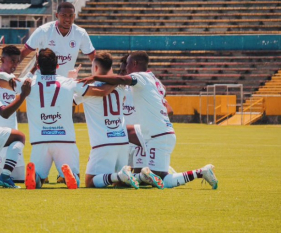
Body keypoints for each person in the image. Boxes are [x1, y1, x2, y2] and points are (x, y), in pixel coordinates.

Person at [79, 51, 219, 189]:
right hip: (164, 132)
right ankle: (200, 172)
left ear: (134, 63)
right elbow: (163, 92)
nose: (126, 69)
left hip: (156, 135)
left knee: (158, 179)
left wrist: (95, 77)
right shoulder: (153, 78)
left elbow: (122, 79)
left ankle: (197, 172)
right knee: (157, 178)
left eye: (127, 64)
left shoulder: (139, 77)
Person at [19, 49, 116, 190]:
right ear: (57, 66)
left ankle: (36, 177)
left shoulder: (28, 83)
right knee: (75, 180)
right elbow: (102, 92)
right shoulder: (69, 83)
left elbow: (4, 83)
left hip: (39, 141)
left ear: (38, 66)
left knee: (39, 177)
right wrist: (117, 81)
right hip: (65, 140)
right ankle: (69, 176)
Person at [74, 52, 164, 189]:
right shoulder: (120, 86)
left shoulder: (86, 88)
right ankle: (139, 176)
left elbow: (70, 102)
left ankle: (121, 175)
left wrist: (71, 79)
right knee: (120, 184)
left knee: (90, 182)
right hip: (122, 142)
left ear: (96, 68)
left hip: (103, 143)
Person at [0, 46, 27, 184]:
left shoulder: (15, 81)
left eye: (17, 61)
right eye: (12, 60)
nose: (15, 64)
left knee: (20, 178)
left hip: (13, 138)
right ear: (3, 59)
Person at [20, 2, 96, 77]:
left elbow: (94, 59)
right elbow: (23, 53)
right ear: (57, 15)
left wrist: (98, 78)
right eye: (64, 15)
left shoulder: (80, 33)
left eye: (71, 16)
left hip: (66, 83)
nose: (67, 19)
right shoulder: (43, 31)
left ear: (74, 16)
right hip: (43, 80)